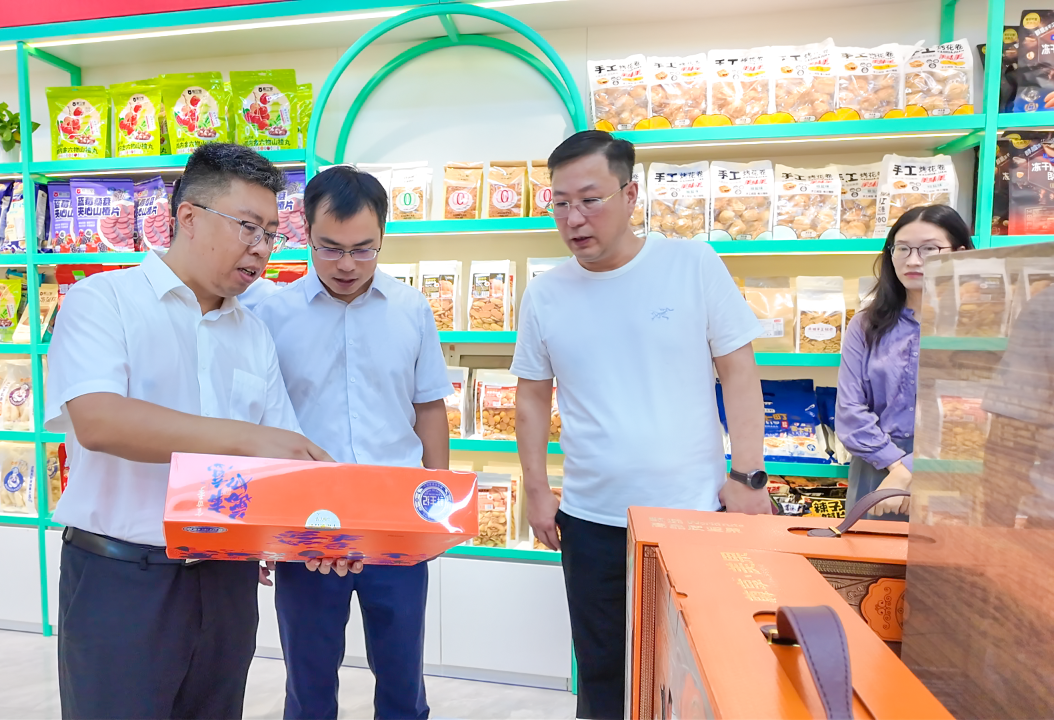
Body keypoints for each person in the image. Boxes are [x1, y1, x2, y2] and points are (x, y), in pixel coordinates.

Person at [45, 143, 356, 720]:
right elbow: (100, 421)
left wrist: (323, 534)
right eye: (248, 227)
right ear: (188, 216)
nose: (262, 247)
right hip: (123, 579)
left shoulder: (252, 333)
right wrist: (246, 438)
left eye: (272, 233)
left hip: (227, 582)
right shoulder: (102, 301)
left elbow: (282, 460)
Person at [510, 130, 772, 720]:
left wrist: (748, 476)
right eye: (559, 203)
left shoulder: (691, 264)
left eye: (590, 199)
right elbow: (532, 397)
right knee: (602, 673)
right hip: (590, 521)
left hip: (693, 512)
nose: (573, 218)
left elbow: (739, 372)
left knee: (698, 670)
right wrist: (536, 490)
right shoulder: (546, 293)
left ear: (630, 195)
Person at [254, 165, 452, 720]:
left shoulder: (411, 309)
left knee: (403, 676)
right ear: (305, 232)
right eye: (330, 248)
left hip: (397, 518)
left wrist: (440, 508)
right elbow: (259, 421)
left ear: (384, 235)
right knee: (309, 679)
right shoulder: (271, 313)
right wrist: (261, 524)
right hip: (305, 523)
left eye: (364, 249)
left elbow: (429, 408)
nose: (346, 265)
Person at [837, 205, 974, 521]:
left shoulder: (980, 326)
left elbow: (976, 414)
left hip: (952, 465)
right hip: (877, 466)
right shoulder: (865, 325)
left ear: (960, 254)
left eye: (929, 249)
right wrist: (895, 466)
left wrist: (908, 470)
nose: (913, 260)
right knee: (870, 550)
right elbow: (849, 411)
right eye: (902, 249)